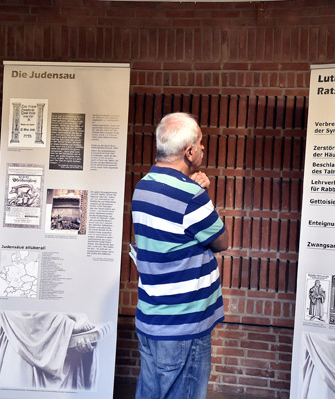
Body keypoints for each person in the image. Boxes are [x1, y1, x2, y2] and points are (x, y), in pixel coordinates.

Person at [131, 112, 229, 399]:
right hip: (183, 325)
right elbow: (221, 241)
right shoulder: (191, 195)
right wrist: (197, 193)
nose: (203, 148)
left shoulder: (143, 186)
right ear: (188, 152)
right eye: (200, 143)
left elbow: (172, 225)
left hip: (152, 319)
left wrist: (191, 187)